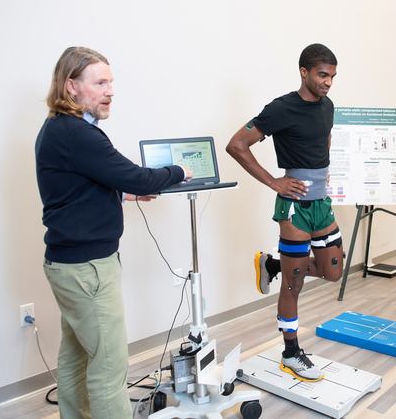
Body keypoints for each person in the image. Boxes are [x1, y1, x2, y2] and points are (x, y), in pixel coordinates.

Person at [35, 47, 192, 419]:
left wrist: (122, 192)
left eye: (111, 83)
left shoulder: (59, 128)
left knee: (75, 356)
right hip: (88, 268)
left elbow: (76, 188)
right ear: (71, 86)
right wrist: (178, 171)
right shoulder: (78, 133)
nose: (110, 91)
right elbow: (135, 173)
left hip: (67, 264)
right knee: (108, 367)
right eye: (100, 83)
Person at [226, 43, 344, 382]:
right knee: (292, 286)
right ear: (304, 72)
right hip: (293, 208)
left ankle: (273, 264)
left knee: (333, 272)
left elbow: (324, 140)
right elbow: (237, 144)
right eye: (323, 75)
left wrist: (322, 170)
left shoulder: (328, 106)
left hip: (321, 203)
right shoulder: (282, 108)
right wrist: (274, 182)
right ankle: (291, 352)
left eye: (333, 76)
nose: (328, 82)